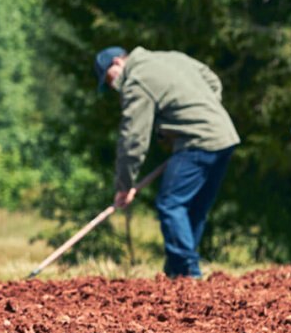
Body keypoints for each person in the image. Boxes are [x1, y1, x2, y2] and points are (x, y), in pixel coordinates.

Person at [94, 46, 240, 279]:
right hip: (224, 136)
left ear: (117, 63)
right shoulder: (170, 57)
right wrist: (203, 113)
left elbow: (133, 139)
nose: (112, 87)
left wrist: (124, 186)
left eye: (108, 79)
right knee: (194, 208)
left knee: (171, 203)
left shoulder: (137, 81)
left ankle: (187, 273)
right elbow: (213, 81)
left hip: (198, 141)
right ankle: (177, 271)